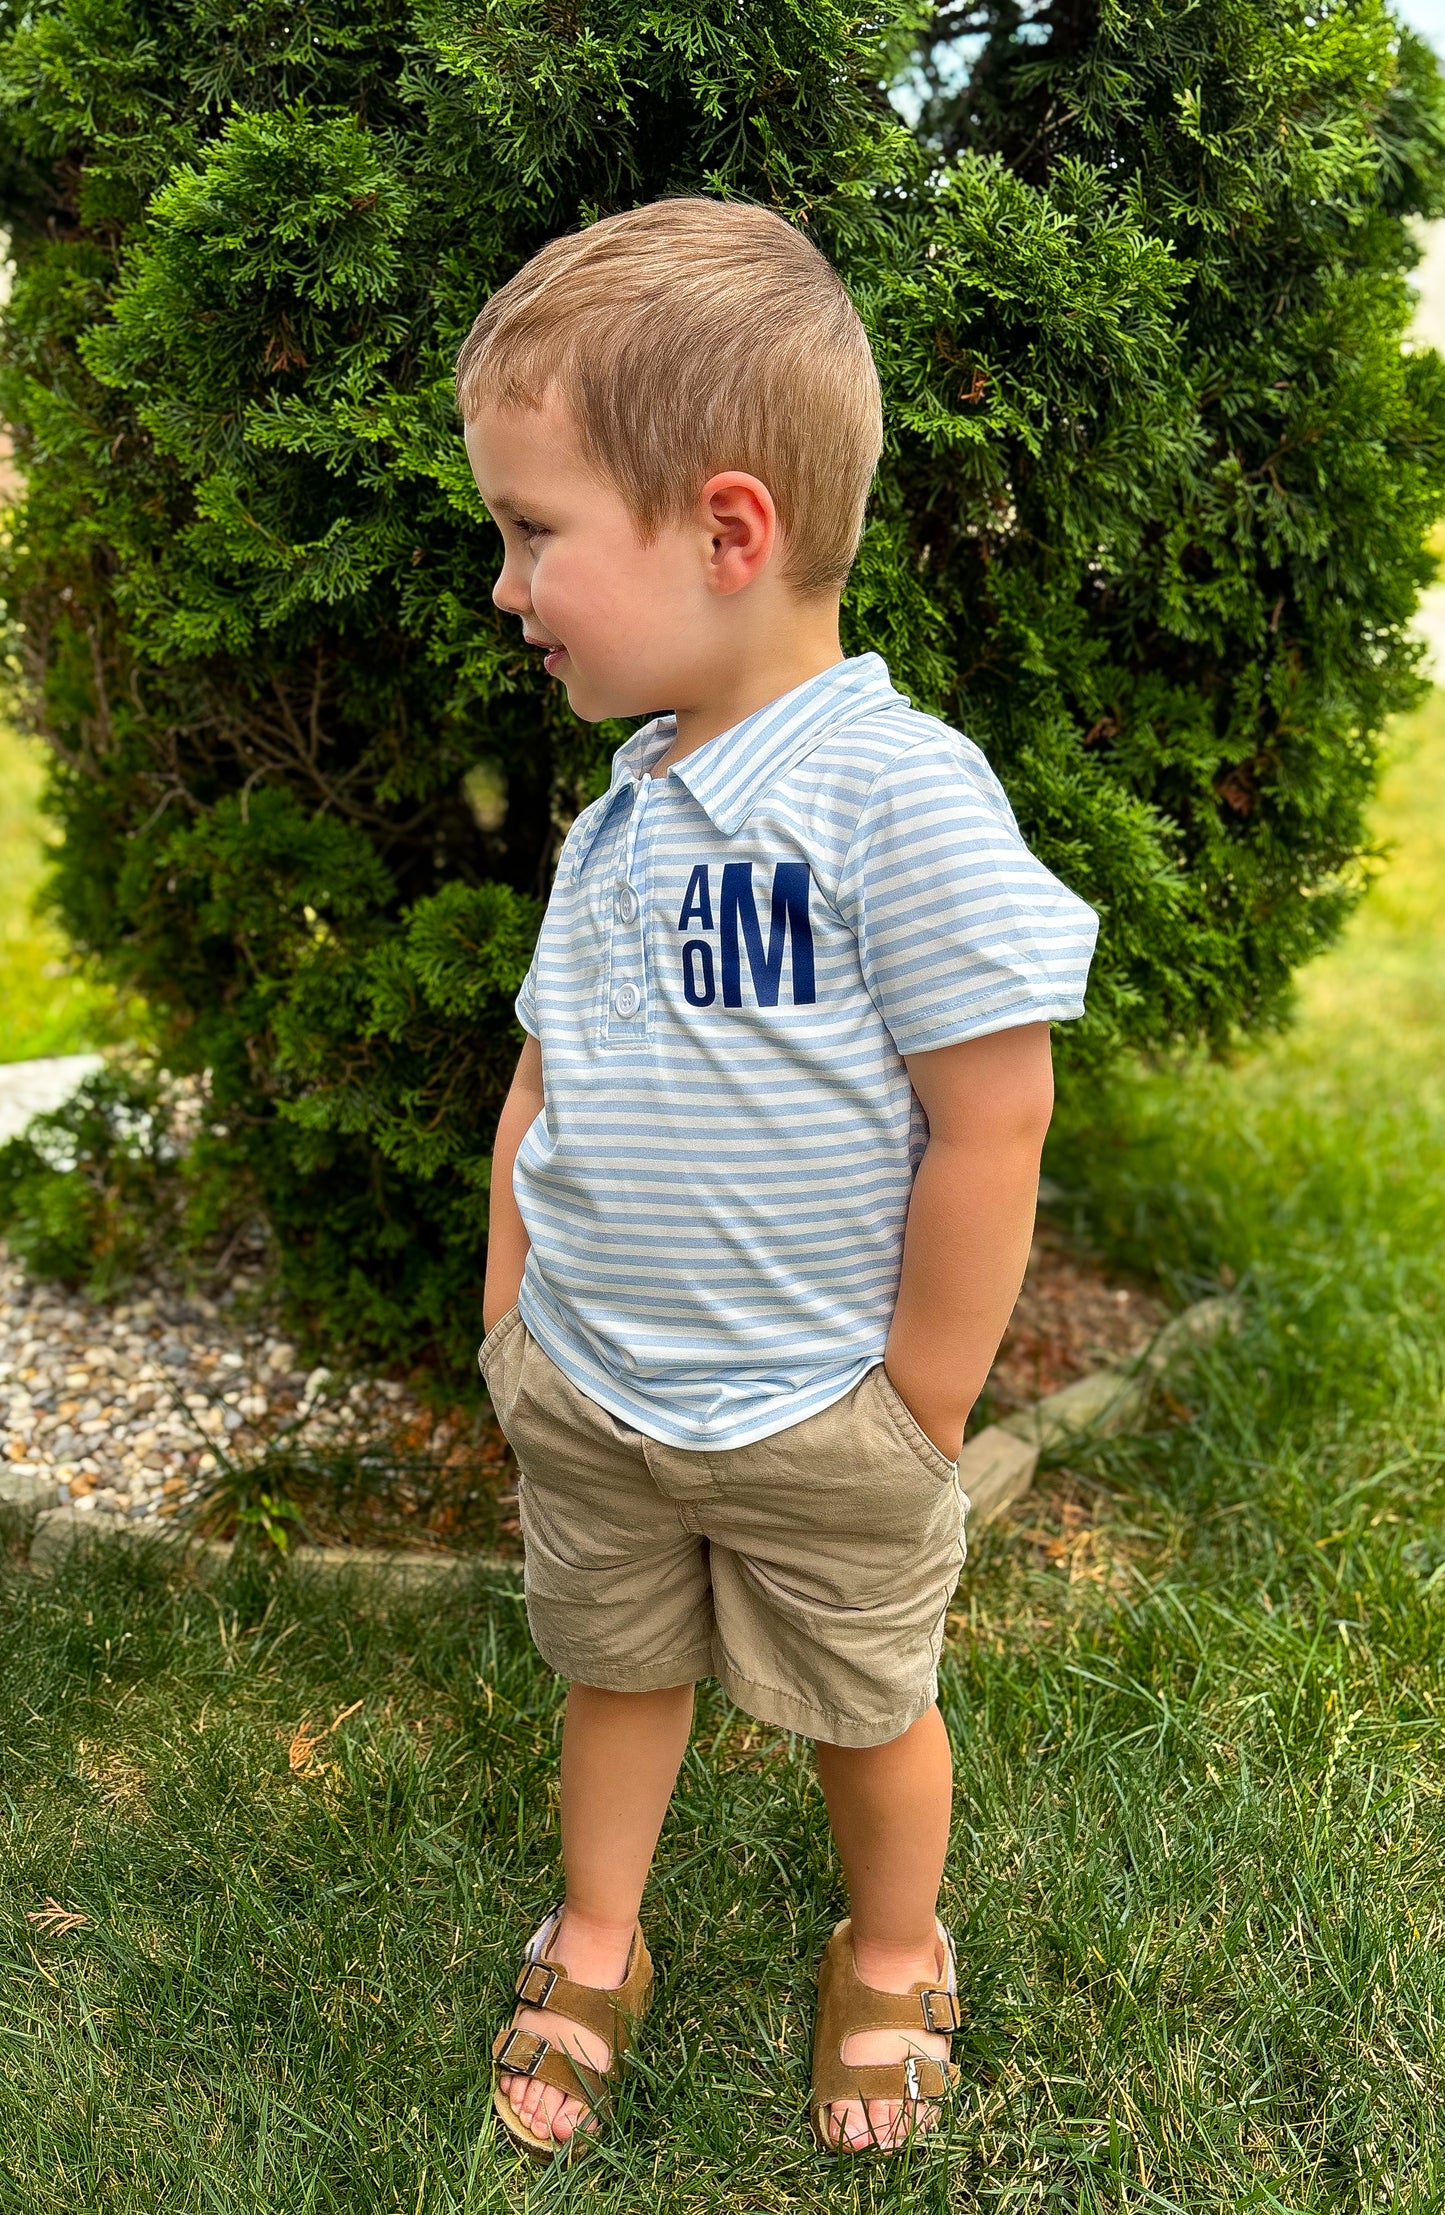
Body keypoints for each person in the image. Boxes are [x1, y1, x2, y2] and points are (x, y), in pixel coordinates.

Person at [456, 197, 1098, 2162]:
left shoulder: (895, 797)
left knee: (864, 1705)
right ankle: (600, 1932)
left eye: (534, 529)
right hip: (601, 1381)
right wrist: (508, 1315)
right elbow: (546, 1066)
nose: (506, 586)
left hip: (826, 1406)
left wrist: (917, 1397)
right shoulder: (617, 818)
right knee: (615, 1668)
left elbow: (996, 1109)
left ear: (729, 532)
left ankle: (895, 1949)